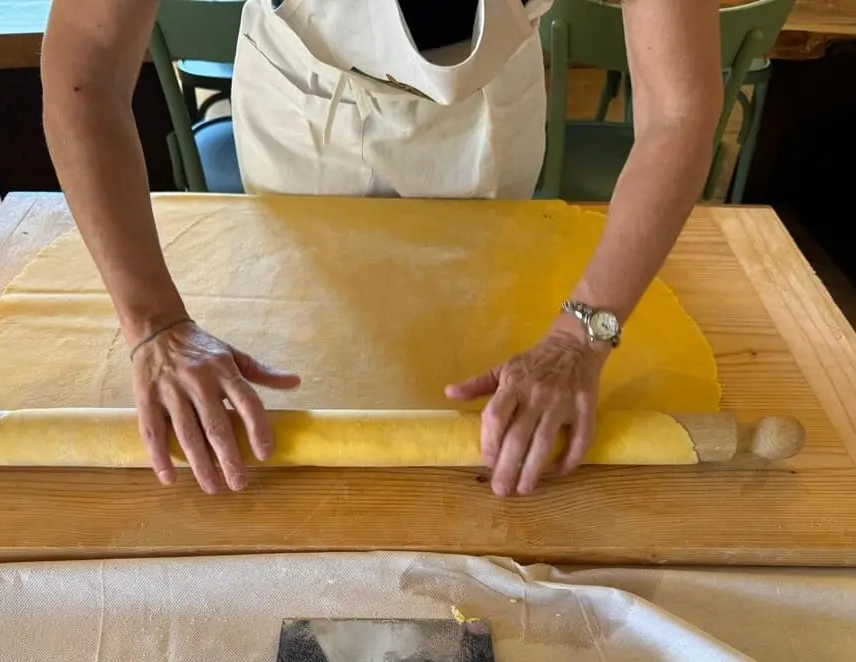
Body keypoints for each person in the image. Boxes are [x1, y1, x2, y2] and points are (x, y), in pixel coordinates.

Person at [40, 0, 721, 497]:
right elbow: (86, 68)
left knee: (479, 403)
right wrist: (153, 322)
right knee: (308, 398)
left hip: (490, 114)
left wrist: (581, 336)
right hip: (306, 111)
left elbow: (679, 110)